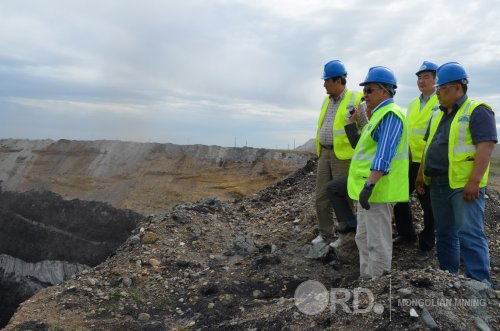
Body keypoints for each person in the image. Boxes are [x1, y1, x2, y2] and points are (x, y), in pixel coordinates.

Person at [416, 62, 497, 283]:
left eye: (441, 89)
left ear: (457, 88)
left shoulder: (477, 110)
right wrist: (421, 173)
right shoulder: (437, 114)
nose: (438, 93)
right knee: (444, 232)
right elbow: (429, 145)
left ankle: (480, 282)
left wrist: (474, 181)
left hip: (463, 186)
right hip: (439, 184)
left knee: (469, 233)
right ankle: (448, 277)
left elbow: (486, 146)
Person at [347, 66, 409, 279]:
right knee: (363, 239)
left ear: (385, 91)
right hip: (368, 191)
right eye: (365, 90)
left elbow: (384, 155)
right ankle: (366, 282)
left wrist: (370, 185)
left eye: (370, 90)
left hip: (378, 191)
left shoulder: (391, 115)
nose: (365, 95)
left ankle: (379, 285)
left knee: (378, 242)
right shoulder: (376, 115)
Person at [311, 60, 363, 245]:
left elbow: (363, 127)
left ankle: (345, 236)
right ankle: (325, 233)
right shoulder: (326, 101)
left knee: (343, 196)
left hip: (344, 156)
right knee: (321, 197)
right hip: (325, 153)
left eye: (327, 80)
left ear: (338, 80)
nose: (324, 84)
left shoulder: (356, 99)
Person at [393, 61, 439, 261]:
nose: (421, 81)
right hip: (409, 159)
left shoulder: (440, 101)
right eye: (419, 77)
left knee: (427, 205)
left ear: (436, 79)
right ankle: (407, 233)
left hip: (428, 162)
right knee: (400, 198)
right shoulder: (412, 103)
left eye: (426, 76)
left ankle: (427, 245)